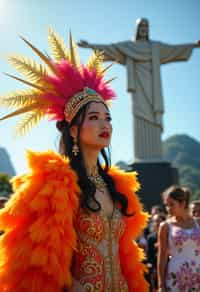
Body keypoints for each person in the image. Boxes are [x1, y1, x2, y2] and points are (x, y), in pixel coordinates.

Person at [0, 29, 149, 292]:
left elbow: (126, 256)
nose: (105, 124)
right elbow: (38, 265)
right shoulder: (53, 185)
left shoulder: (116, 185)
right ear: (72, 130)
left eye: (108, 117)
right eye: (94, 118)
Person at [78, 18, 200, 161]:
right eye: (141, 25)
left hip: (153, 90)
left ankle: (155, 156)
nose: (144, 28)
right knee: (139, 117)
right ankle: (141, 156)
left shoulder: (155, 47)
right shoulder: (129, 47)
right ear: (137, 29)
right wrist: (91, 46)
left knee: (153, 119)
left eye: (146, 26)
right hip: (138, 92)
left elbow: (173, 49)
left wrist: (193, 46)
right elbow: (111, 48)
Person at [157, 185, 200, 292]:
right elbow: (162, 257)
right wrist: (161, 284)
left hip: (198, 275)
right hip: (175, 277)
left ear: (183, 203)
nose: (168, 209)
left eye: (171, 204)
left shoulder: (198, 223)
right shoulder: (165, 226)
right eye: (166, 205)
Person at [147, 213, 166, 292]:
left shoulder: (168, 235)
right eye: (155, 221)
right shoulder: (151, 238)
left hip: (167, 267)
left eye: (159, 221)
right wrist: (153, 269)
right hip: (155, 268)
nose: (157, 223)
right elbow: (149, 255)